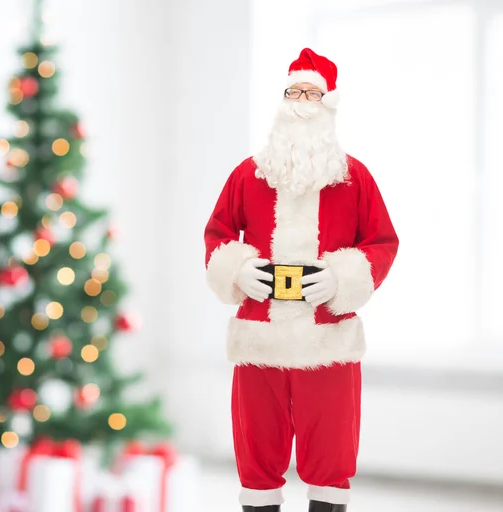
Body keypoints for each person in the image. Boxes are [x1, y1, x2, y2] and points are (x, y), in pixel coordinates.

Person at [203, 48, 399, 512]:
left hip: (327, 339)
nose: (301, 102)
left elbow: (382, 242)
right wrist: (238, 268)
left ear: (328, 104)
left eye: (312, 93)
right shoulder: (247, 174)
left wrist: (339, 278)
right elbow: (218, 233)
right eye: (294, 92)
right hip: (260, 337)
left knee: (331, 449)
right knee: (256, 450)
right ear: (282, 101)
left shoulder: (355, 179)